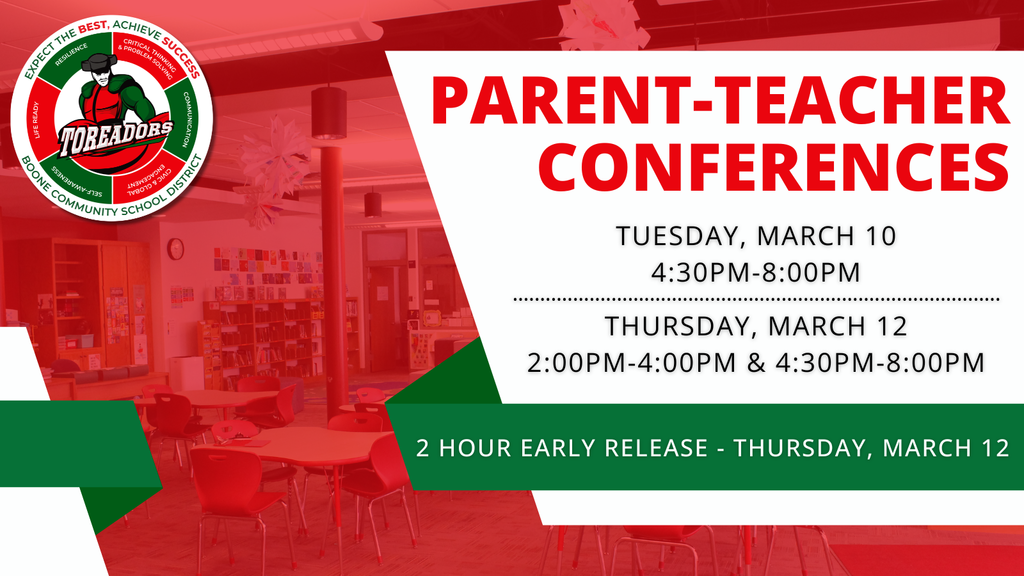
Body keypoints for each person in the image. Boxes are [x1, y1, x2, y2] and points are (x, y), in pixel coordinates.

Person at [78, 53, 156, 125]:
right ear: (92, 74)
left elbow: (141, 104)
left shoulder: (123, 87)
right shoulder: (86, 94)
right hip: (92, 137)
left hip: (117, 135)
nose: (102, 77)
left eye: (105, 72)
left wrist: (153, 126)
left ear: (110, 70)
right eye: (98, 74)